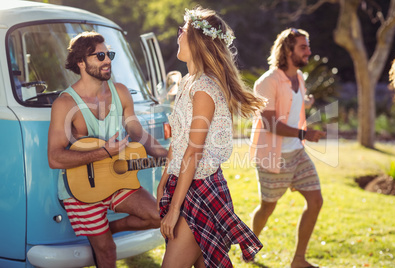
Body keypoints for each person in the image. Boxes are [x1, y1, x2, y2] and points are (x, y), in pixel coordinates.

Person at [47, 31, 168, 268]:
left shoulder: (120, 92)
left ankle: (109, 228)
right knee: (106, 252)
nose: (108, 60)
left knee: (159, 216)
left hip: (117, 180)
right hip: (81, 189)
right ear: (81, 63)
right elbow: (55, 157)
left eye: (109, 54)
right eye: (100, 56)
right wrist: (105, 153)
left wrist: (165, 154)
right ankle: (101, 235)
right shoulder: (66, 103)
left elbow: (136, 131)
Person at [157, 7, 265, 268]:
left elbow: (193, 152)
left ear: (196, 39)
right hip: (182, 183)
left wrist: (174, 210)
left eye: (182, 31)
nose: (178, 36)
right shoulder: (187, 82)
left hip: (201, 190)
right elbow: (179, 140)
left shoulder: (204, 88)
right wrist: (164, 181)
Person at [250, 28, 326, 268]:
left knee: (315, 201)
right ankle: (250, 245)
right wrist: (305, 133)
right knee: (267, 207)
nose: (309, 51)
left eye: (308, 46)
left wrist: (306, 100)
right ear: (287, 50)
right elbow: (270, 122)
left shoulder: (300, 78)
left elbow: (294, 99)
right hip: (274, 157)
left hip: (297, 152)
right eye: (303, 47)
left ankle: (298, 260)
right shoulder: (267, 82)